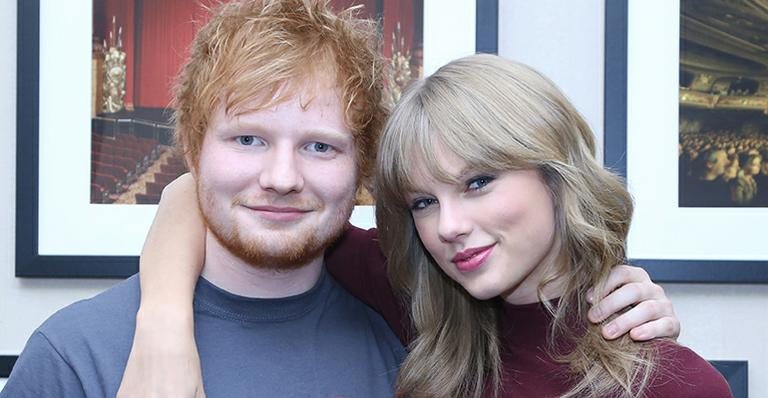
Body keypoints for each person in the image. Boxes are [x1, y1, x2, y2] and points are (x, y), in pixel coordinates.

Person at [114, 53, 686, 398]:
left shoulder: (672, 384)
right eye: (422, 202)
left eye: (478, 182)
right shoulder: (419, 302)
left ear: (557, 175)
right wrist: (163, 326)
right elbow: (198, 190)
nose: (449, 227)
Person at [2, 1, 407, 397]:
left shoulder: (409, 347)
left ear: (361, 167)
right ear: (194, 152)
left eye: (319, 147)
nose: (282, 178)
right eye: (248, 139)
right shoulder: (73, 358)